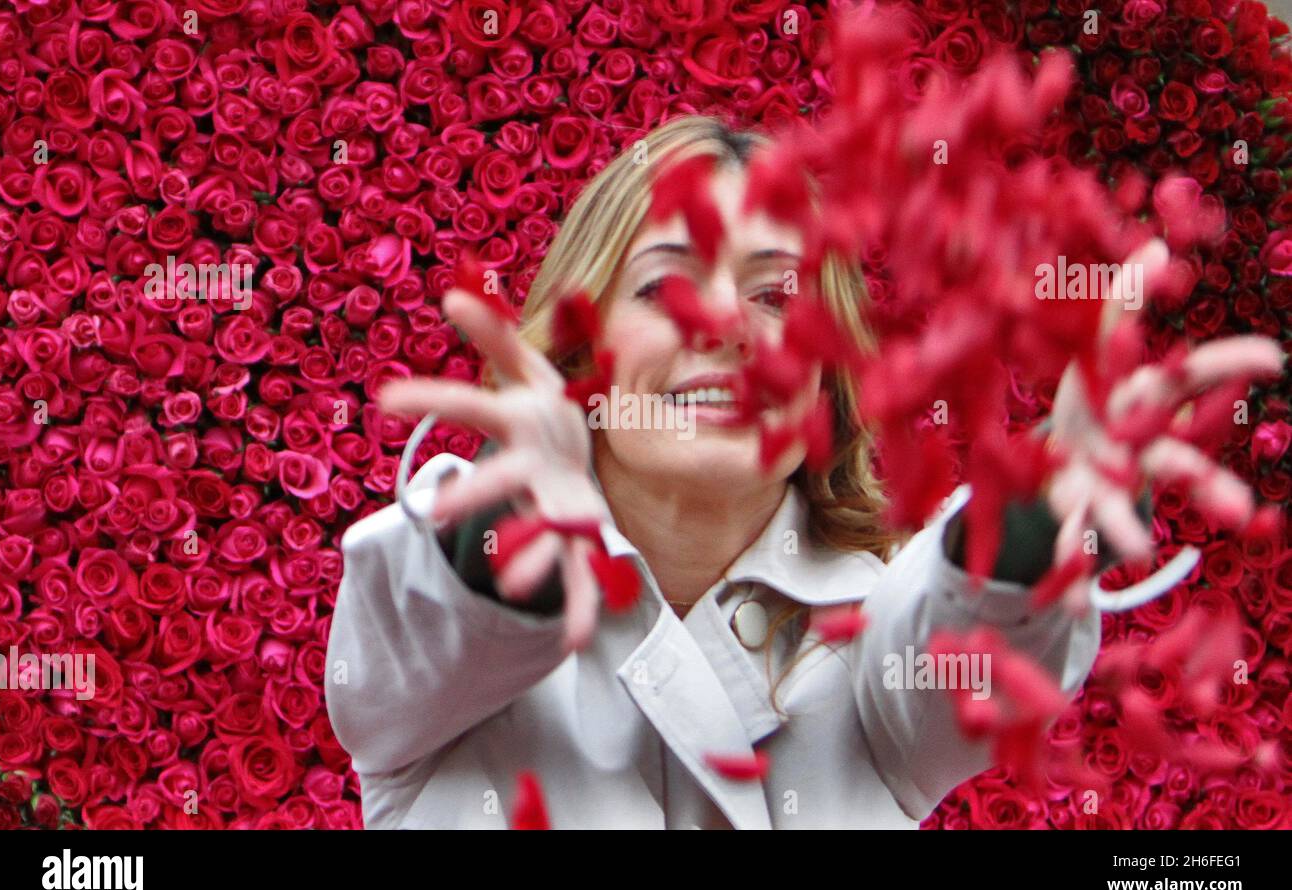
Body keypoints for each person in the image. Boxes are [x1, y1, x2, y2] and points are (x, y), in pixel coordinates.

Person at [324, 115, 1283, 829]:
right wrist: (505, 532)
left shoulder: (880, 635)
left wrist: (1029, 528)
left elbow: (958, 636)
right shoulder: (446, 626)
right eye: (663, 286)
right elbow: (417, 631)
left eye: (775, 296)